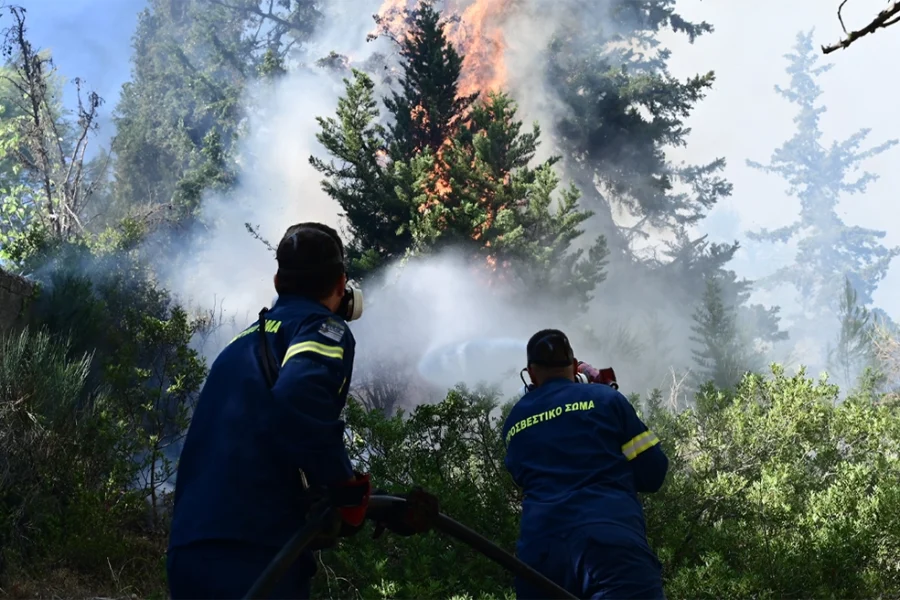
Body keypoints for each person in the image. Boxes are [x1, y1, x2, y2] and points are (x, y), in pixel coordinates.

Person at [166, 222, 371, 599]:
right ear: (342, 286)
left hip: (190, 550)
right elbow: (300, 395)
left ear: (277, 281)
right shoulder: (321, 327)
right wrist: (345, 489)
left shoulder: (241, 344)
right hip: (255, 553)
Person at [503, 328, 669, 600]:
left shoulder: (514, 422)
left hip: (540, 559)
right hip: (612, 549)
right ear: (574, 366)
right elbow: (654, 472)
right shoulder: (607, 399)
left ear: (531, 374)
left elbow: (521, 478)